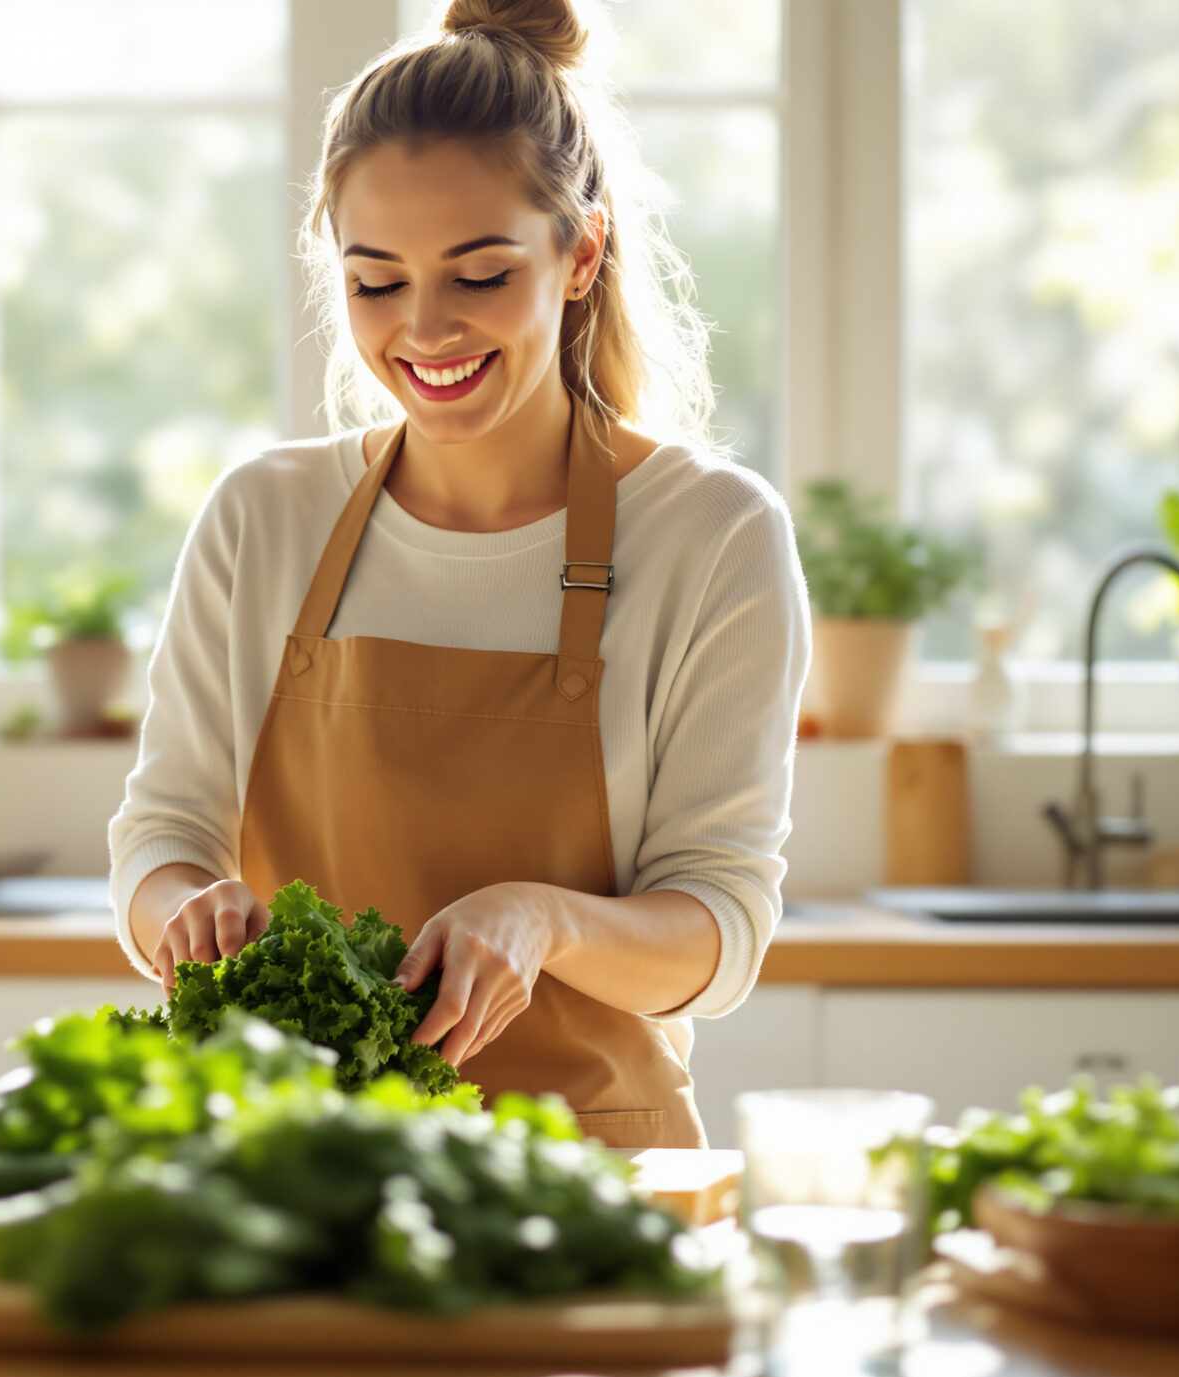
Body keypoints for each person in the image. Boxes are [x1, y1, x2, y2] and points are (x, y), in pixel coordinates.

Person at [105, 0, 811, 1149]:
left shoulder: (710, 533)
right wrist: (180, 906)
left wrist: (544, 921)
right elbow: (162, 834)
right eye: (375, 282)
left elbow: (719, 926)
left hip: (583, 1172)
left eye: (479, 275)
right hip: (285, 1165)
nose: (423, 331)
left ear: (580, 253)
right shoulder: (262, 518)